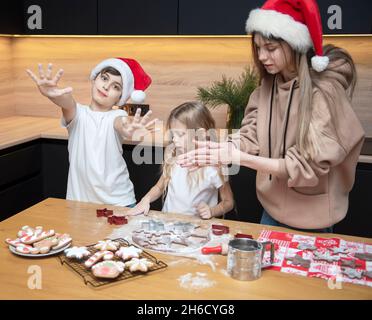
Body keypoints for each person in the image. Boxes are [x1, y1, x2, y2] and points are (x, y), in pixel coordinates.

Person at [176, 0, 365, 233]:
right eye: (258, 48)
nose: (262, 56)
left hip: (314, 219)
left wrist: (237, 157)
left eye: (271, 48)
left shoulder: (324, 93)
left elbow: (307, 166)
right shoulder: (264, 89)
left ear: (294, 44)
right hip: (270, 212)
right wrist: (218, 150)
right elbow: (250, 137)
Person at [27, 57, 158, 208]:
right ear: (94, 79)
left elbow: (122, 124)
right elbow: (67, 101)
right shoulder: (77, 114)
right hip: (80, 203)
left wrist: (129, 129)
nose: (106, 87)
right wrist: (52, 93)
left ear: (119, 99)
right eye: (104, 78)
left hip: (119, 202)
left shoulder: (117, 116)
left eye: (116, 87)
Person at [127, 101, 234, 219]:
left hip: (197, 229)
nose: (175, 140)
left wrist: (212, 211)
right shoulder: (173, 159)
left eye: (181, 134)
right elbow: (159, 187)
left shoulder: (214, 166)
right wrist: (145, 199)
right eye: (173, 135)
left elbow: (228, 202)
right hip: (168, 224)